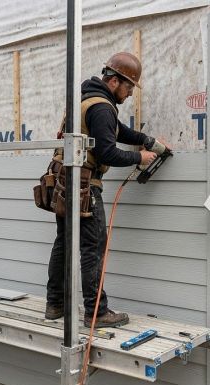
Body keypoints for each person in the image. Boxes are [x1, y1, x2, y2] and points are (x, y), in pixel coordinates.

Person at [45, 52, 168, 328]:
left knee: (64, 244)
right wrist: (140, 157)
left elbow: (117, 131)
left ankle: (54, 304)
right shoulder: (102, 107)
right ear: (114, 81)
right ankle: (97, 312)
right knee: (93, 248)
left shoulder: (87, 99)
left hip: (64, 183)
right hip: (84, 188)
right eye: (129, 87)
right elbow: (108, 152)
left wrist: (147, 140)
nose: (130, 93)